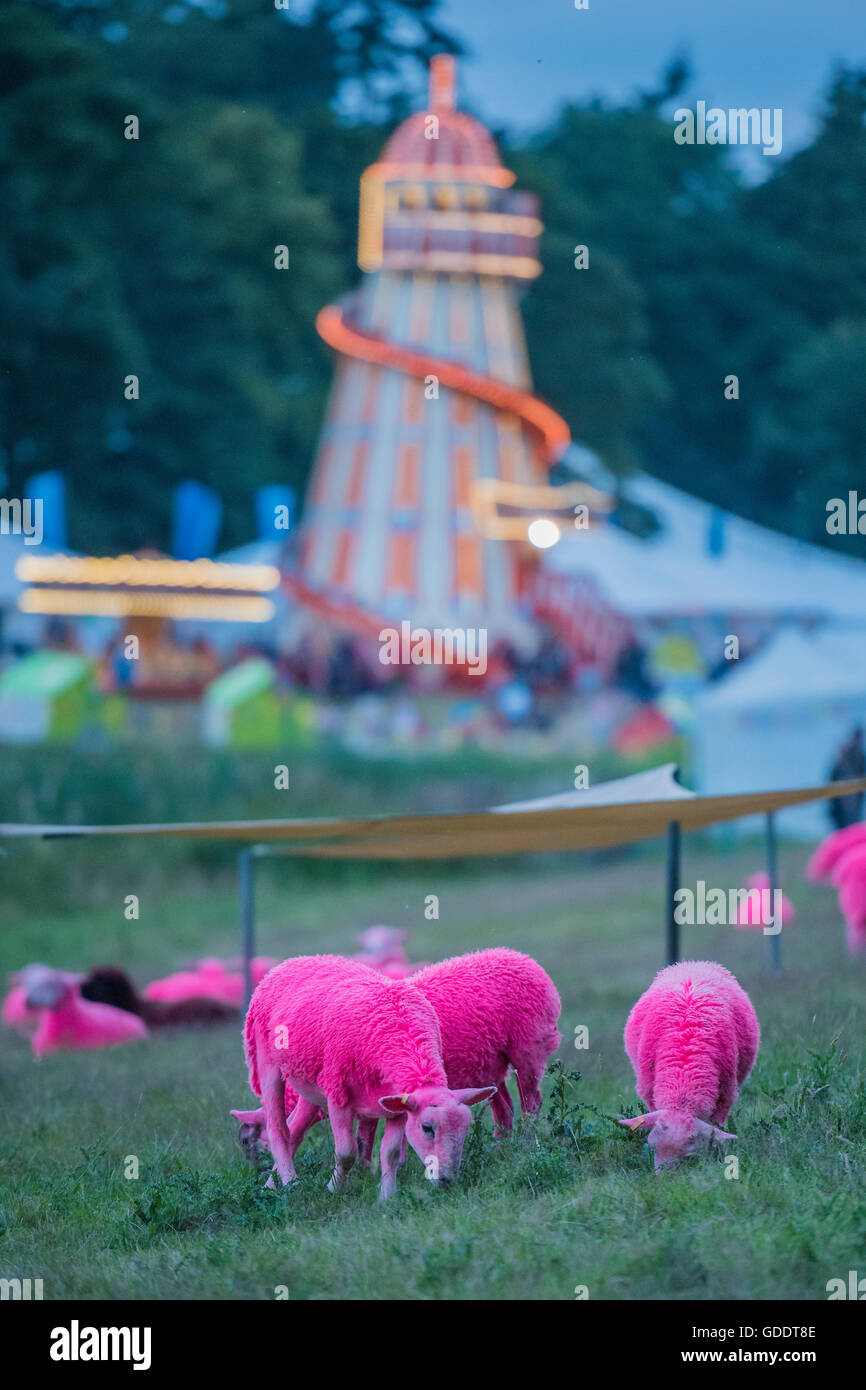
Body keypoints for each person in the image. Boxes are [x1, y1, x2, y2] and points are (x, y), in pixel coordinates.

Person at [828, 726, 866, 829]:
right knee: (842, 828)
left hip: (854, 803)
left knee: (852, 828)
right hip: (840, 802)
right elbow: (833, 778)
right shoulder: (843, 755)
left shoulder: (861, 759)